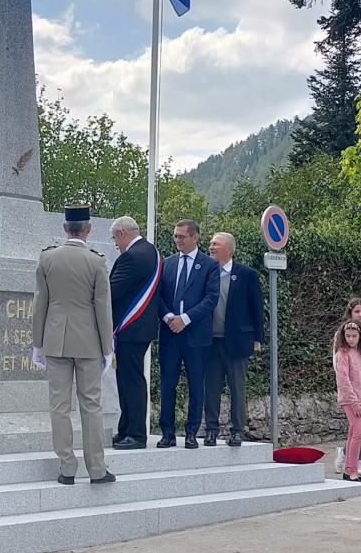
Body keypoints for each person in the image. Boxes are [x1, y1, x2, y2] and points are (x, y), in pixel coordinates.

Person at [31, 206, 115, 484]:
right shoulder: (96, 261)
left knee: (59, 406)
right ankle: (97, 469)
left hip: (55, 340)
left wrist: (37, 343)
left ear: (65, 228)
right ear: (88, 228)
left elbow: (40, 303)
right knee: (91, 405)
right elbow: (102, 307)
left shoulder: (47, 258)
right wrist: (107, 347)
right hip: (89, 342)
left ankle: (67, 467)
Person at [156, 219, 220, 449]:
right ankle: (167, 433)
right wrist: (169, 318)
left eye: (182, 236)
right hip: (170, 333)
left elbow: (211, 298)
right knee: (167, 384)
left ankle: (192, 432)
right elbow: (158, 295)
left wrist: (185, 319)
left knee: (195, 385)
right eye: (175, 236)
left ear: (195, 237)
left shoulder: (209, 265)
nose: (177, 241)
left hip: (196, 334)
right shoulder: (168, 263)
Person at [203, 232, 264, 447]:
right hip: (211, 341)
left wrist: (257, 338)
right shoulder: (206, 272)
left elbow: (256, 308)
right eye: (210, 243)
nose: (210, 247)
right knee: (211, 388)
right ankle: (211, 429)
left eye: (215, 244)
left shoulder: (246, 274)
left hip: (237, 341)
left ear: (229, 249)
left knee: (237, 388)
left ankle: (236, 430)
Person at [108, 215, 160, 450]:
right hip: (141, 327)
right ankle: (126, 428)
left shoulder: (131, 256)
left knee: (131, 381)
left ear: (121, 233)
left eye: (115, 239)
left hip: (131, 327)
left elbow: (113, 291)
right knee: (129, 379)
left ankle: (136, 434)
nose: (116, 245)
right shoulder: (151, 251)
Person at [331, 320, 361, 482]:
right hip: (350, 400)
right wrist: (354, 402)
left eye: (354, 336)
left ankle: (349, 469)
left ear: (360, 336)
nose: (351, 339)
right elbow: (343, 380)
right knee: (358, 432)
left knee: (353, 432)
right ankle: (352, 470)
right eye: (347, 336)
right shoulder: (342, 354)